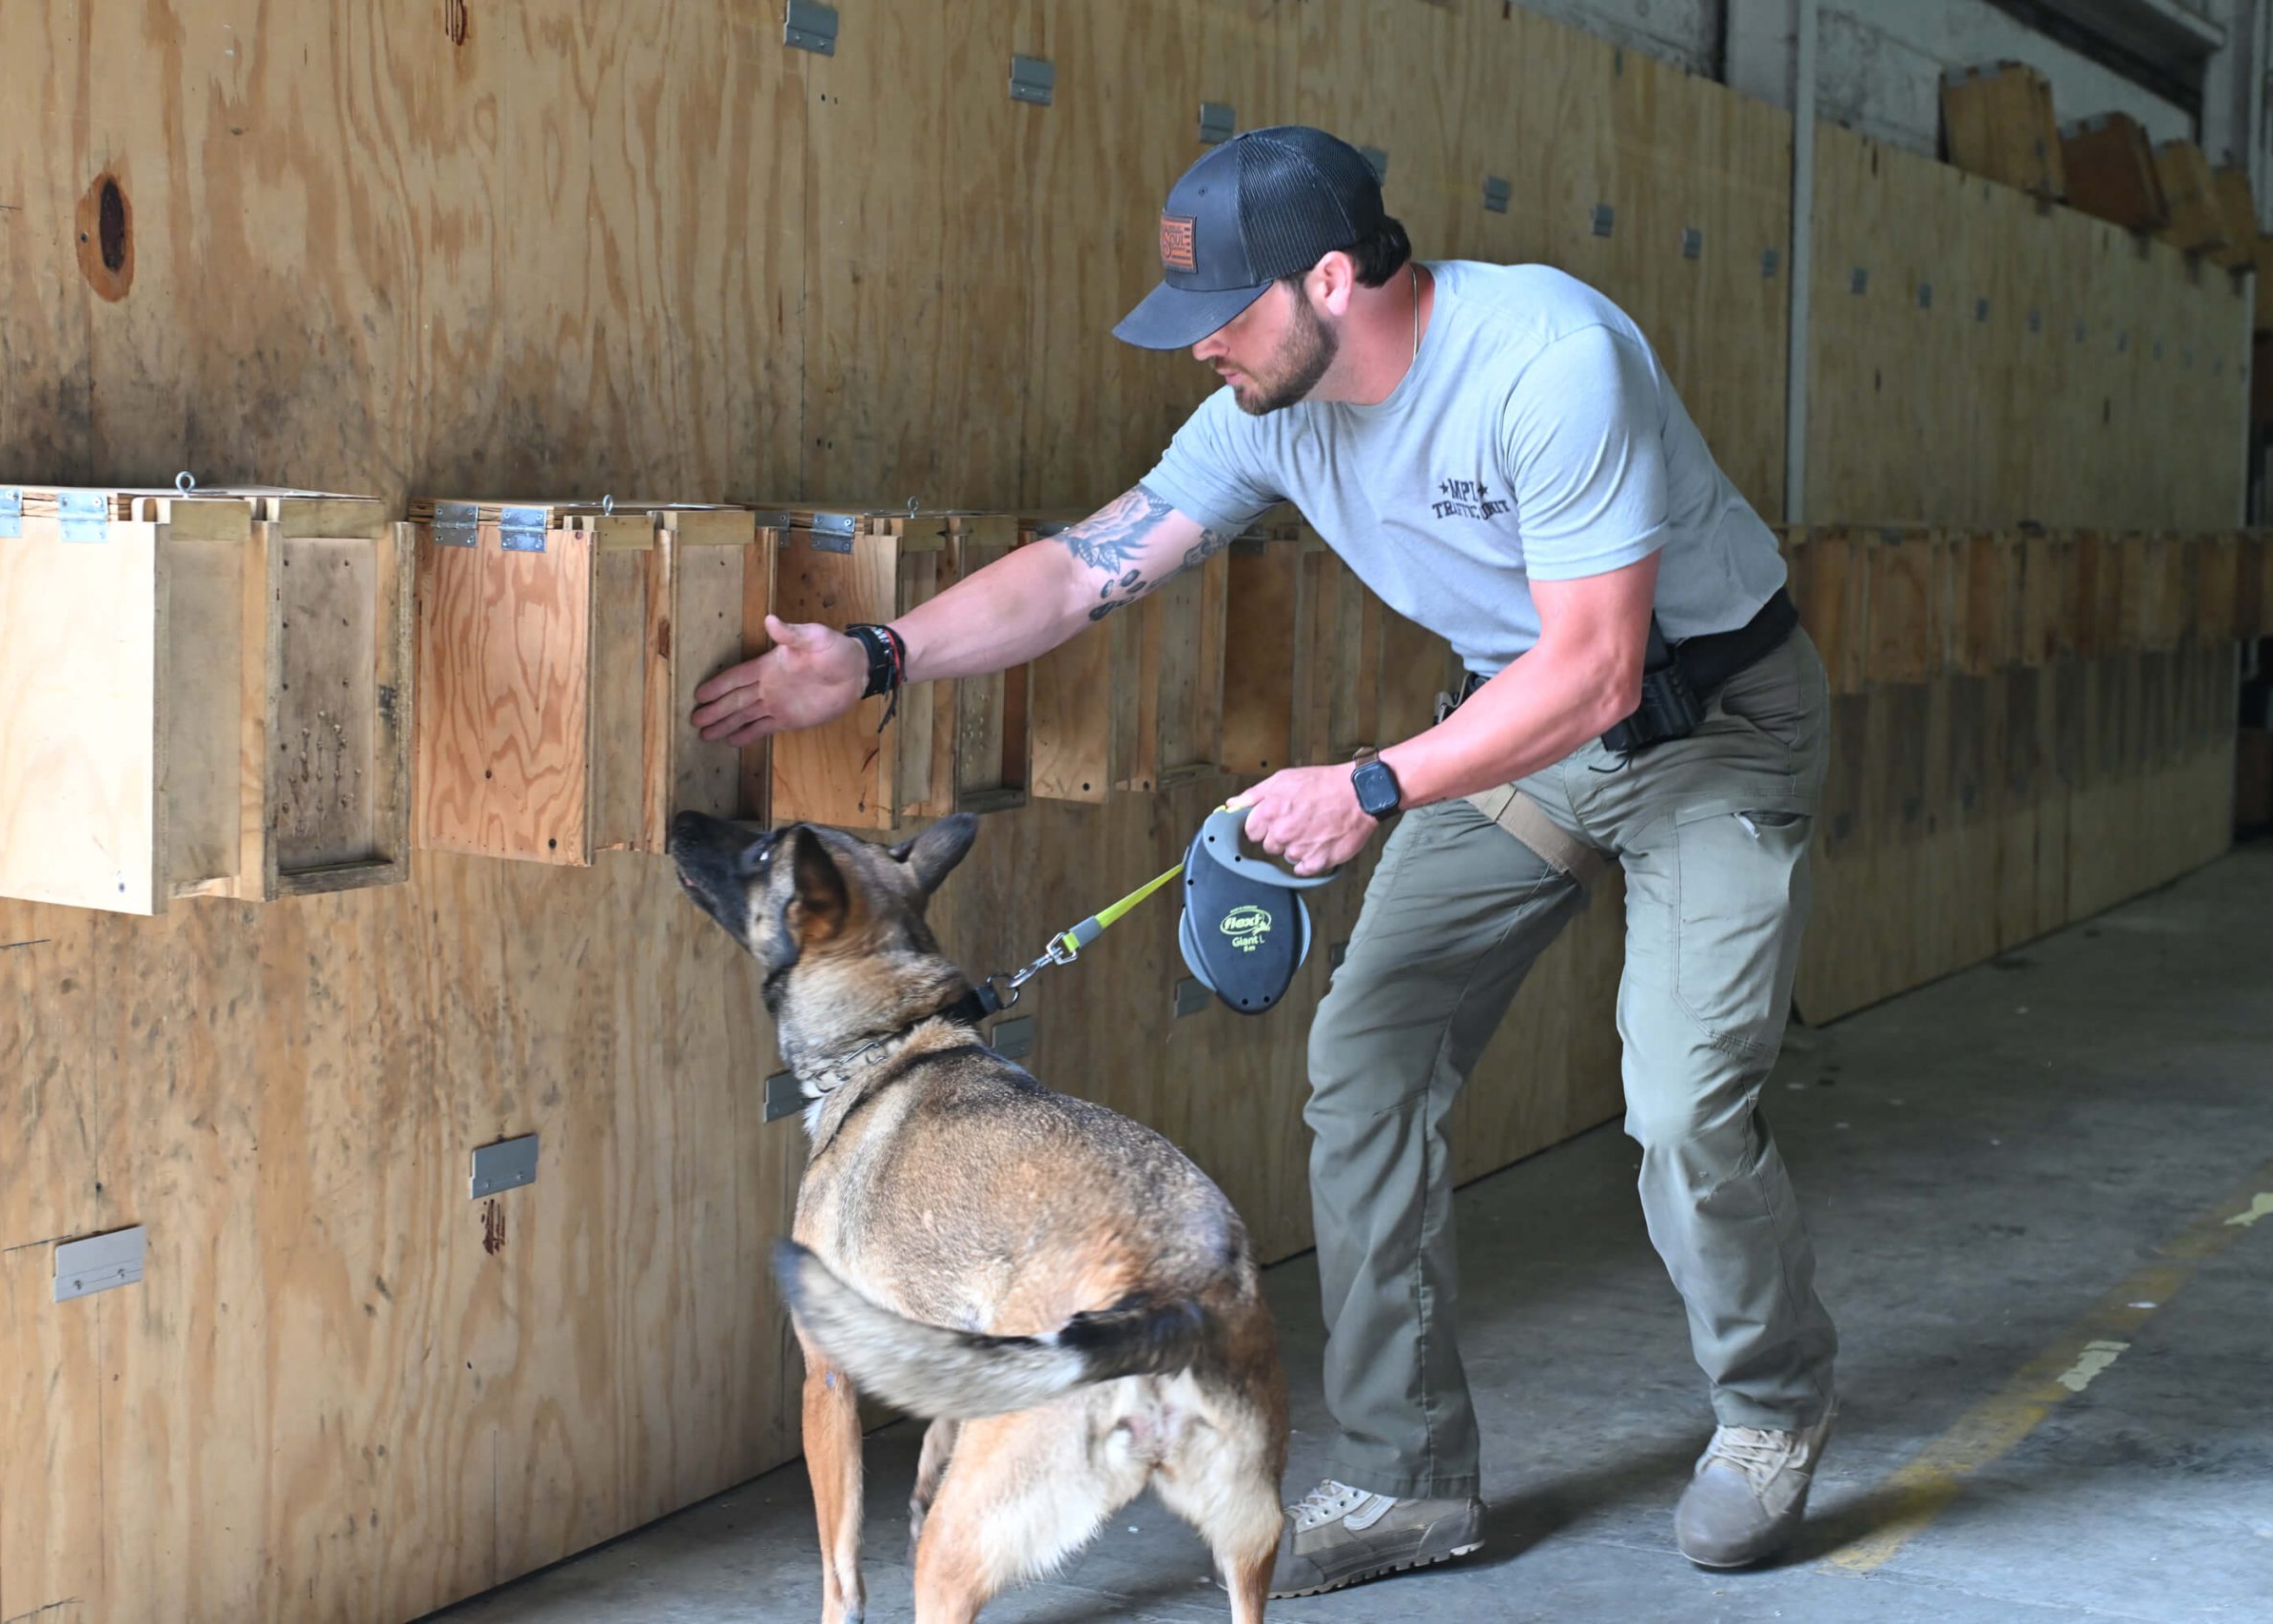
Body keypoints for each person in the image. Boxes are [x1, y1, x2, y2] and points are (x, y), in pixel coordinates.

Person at [690, 125, 1840, 1599]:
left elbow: (1604, 669)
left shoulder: (1550, 360)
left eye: (1221, 318)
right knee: (1365, 1068)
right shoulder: (1267, 410)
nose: (1199, 353)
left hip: (1709, 724)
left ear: (1336, 278)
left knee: (1680, 1102)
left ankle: (1767, 1409)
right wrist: (872, 656)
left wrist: (1371, 787)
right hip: (1514, 731)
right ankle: (1412, 1476)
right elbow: (1083, 567)